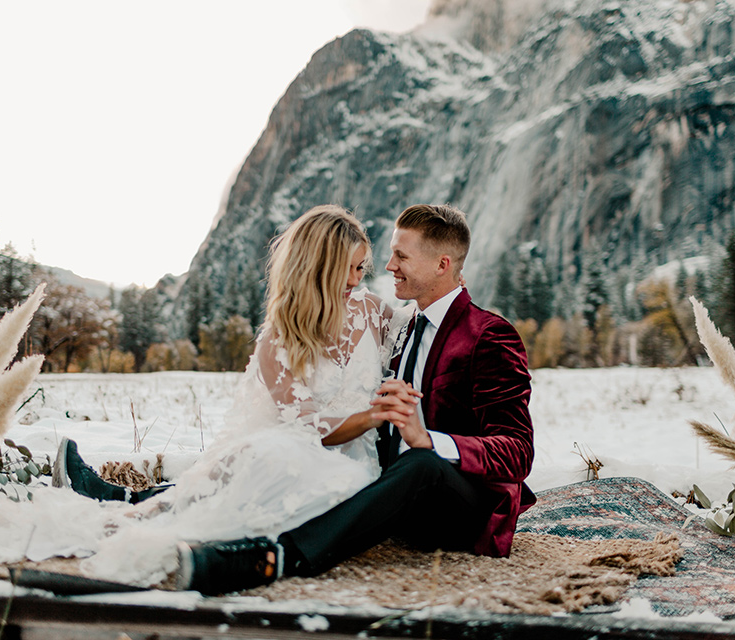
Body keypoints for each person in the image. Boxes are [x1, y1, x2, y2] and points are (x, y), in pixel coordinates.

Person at [175, 204, 535, 595]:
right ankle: (154, 500)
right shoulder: (399, 324)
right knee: (288, 468)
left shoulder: (488, 335)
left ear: (442, 264)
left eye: (401, 255)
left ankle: (276, 558)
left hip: (463, 507)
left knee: (422, 464)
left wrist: (428, 440)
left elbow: (518, 452)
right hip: (389, 493)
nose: (389, 265)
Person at [43, 204, 407, 586]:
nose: (356, 279)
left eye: (361, 268)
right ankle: (127, 508)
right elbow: (304, 423)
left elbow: (422, 323)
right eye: (348, 269)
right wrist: (370, 416)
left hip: (353, 466)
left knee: (291, 474)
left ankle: (127, 500)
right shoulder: (280, 337)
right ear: (318, 268)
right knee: (266, 460)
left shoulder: (371, 311)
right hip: (300, 448)